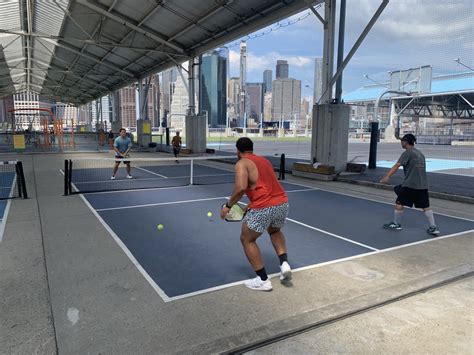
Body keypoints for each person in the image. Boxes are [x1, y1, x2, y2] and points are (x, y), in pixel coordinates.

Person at [220, 137, 291, 291]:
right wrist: (249, 206)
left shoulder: (241, 163)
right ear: (252, 148)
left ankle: (263, 280)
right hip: (282, 202)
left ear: (237, 150)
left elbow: (240, 188)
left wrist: (228, 205)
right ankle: (284, 263)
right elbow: (265, 186)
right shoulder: (264, 161)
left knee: (247, 239)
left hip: (264, 206)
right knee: (275, 231)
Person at [380, 133, 440, 236]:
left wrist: (387, 176)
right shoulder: (420, 154)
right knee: (426, 206)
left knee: (399, 202)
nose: (401, 142)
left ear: (406, 142)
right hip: (423, 185)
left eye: (402, 141)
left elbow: (397, 165)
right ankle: (433, 227)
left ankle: (396, 223)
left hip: (410, 184)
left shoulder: (408, 153)